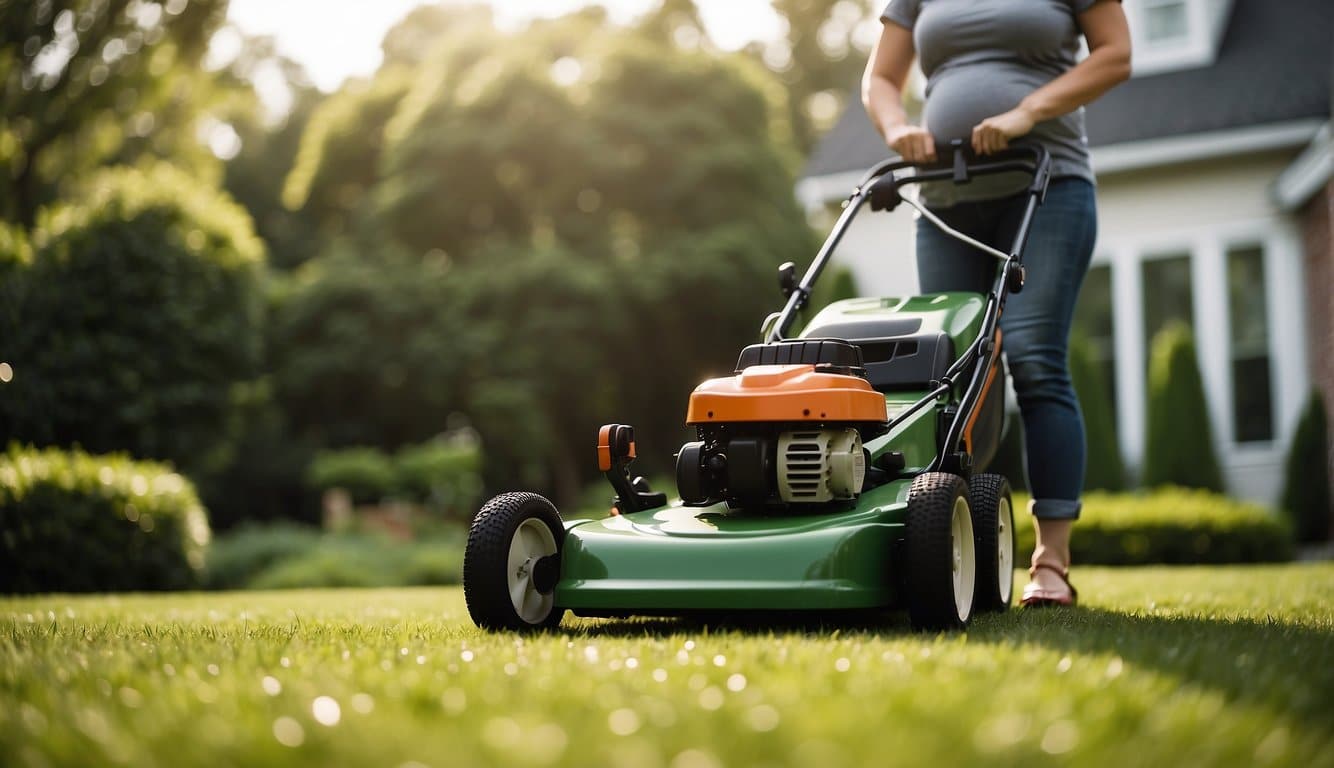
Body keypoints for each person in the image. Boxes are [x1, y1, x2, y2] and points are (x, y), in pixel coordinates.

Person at [863, 0, 1131, 606]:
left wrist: (1026, 112)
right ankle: (952, 548)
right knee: (951, 375)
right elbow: (880, 76)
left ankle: (1051, 562)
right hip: (947, 197)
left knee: (1034, 357)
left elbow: (1116, 54)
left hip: (1047, 181)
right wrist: (897, 128)